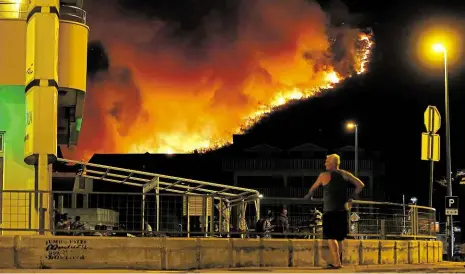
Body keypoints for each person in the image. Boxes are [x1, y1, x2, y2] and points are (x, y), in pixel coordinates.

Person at [304, 154, 365, 269]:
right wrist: (351, 197)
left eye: (327, 162)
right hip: (343, 210)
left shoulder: (324, 175)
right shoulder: (345, 174)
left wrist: (308, 196)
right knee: (339, 238)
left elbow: (312, 189)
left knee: (331, 237)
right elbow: (360, 185)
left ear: (332, 164)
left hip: (330, 211)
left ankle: (336, 262)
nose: (325, 164)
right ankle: (338, 262)